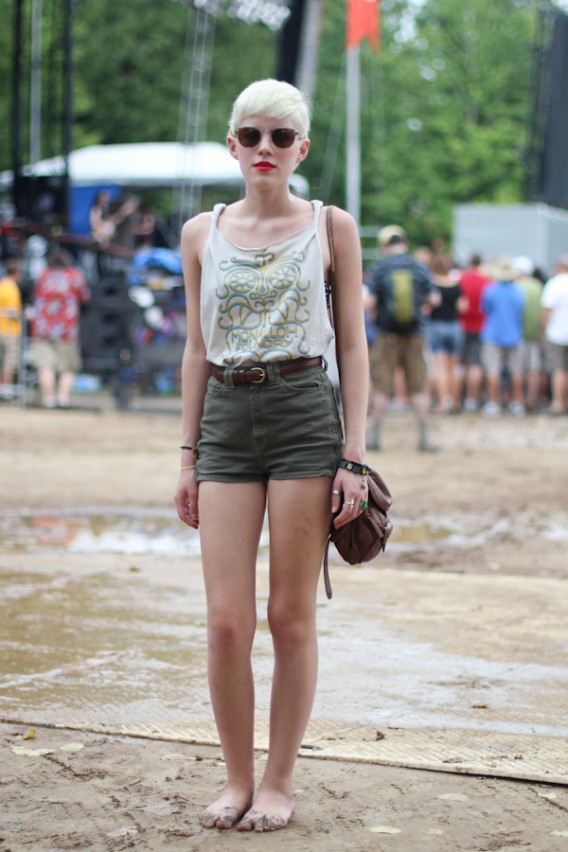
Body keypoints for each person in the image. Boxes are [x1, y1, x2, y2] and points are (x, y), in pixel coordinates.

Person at [173, 79, 369, 833]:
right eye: (252, 136)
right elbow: (195, 348)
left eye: (280, 138)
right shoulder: (202, 232)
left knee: (290, 616)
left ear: (301, 150)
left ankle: (279, 781)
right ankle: (235, 778)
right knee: (226, 621)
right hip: (224, 414)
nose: (265, 149)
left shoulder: (330, 226)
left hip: (302, 413)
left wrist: (353, 455)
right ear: (232, 144)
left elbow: (352, 343)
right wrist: (187, 456)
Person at [366, 225, 438, 451]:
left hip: (386, 335)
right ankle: (424, 437)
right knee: (418, 386)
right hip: (415, 335)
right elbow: (434, 299)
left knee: (381, 386)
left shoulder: (380, 267)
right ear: (405, 243)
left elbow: (368, 302)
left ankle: (375, 438)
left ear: (386, 246)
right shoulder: (419, 267)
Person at [30, 247, 91, 408]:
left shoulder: (43, 276)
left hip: (42, 328)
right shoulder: (74, 276)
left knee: (45, 366)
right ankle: (63, 399)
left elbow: (35, 296)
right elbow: (85, 297)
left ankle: (48, 399)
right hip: (67, 329)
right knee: (68, 367)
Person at [480, 258, 525, 416]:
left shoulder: (490, 290)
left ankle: (494, 403)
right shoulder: (518, 291)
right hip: (514, 334)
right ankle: (517, 403)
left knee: (493, 370)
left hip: (493, 334)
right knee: (516, 371)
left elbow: (485, 309)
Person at [428, 253, 466, 413]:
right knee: (454, 367)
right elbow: (463, 307)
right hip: (454, 326)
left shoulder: (432, 285)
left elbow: (431, 304)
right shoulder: (456, 285)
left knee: (440, 368)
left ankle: (443, 402)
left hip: (436, 325)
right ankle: (455, 401)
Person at [458, 253, 491, 412]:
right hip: (481, 326)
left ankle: (460, 397)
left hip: (463, 325)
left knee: (463, 364)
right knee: (476, 364)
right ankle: (472, 398)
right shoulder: (487, 281)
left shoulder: (461, 279)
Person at [513, 256, 544, 412]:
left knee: (518, 370)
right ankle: (532, 400)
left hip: (517, 334)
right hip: (535, 334)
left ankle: (519, 400)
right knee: (533, 370)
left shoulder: (515, 287)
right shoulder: (538, 287)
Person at [540, 255, 568, 415]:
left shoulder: (554, 284)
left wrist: (544, 329)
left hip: (556, 333)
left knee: (558, 370)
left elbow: (546, 309)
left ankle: (557, 403)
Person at [0, 257, 23, 400]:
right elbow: (13, 311)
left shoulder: (1, 284)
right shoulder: (12, 288)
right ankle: (6, 389)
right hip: (9, 330)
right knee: (10, 361)